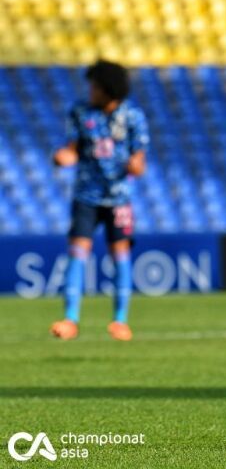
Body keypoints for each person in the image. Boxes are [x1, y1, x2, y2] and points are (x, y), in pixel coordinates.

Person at [50, 60, 149, 342]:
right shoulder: (80, 112)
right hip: (86, 196)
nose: (90, 91)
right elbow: (72, 150)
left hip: (119, 198)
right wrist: (63, 158)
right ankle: (70, 319)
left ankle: (120, 321)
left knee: (120, 255)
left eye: (95, 86)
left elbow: (139, 161)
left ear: (109, 89)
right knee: (77, 252)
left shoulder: (132, 116)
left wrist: (135, 165)